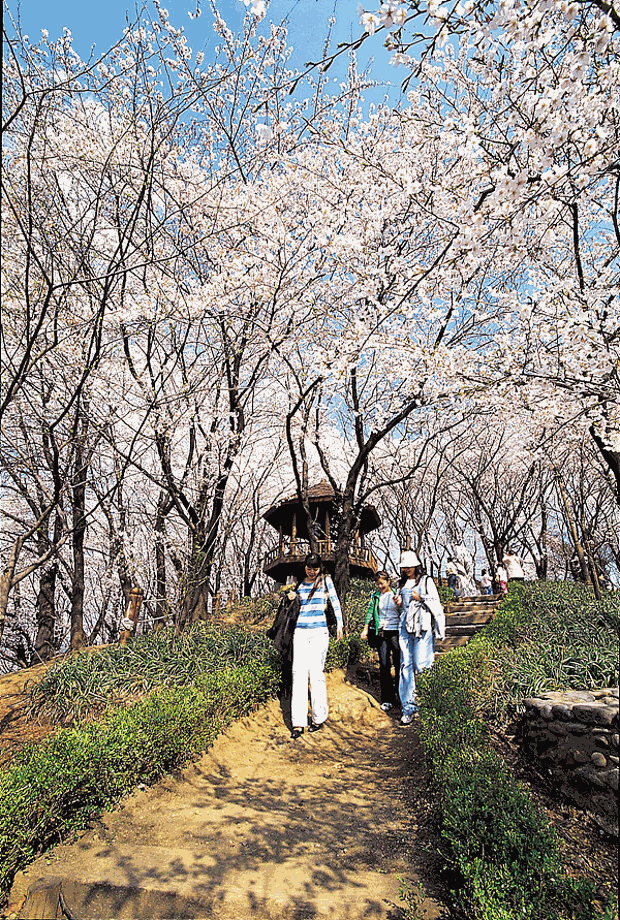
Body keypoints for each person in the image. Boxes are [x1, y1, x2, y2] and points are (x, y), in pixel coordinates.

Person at [289, 553, 343, 740]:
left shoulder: (326, 581)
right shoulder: (298, 583)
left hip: (319, 632)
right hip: (300, 632)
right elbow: (294, 607)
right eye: (309, 567)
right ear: (304, 566)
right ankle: (298, 722)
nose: (312, 571)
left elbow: (335, 602)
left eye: (315, 568)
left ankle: (318, 717)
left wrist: (340, 624)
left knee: (316, 673)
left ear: (321, 568)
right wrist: (290, 598)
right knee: (298, 673)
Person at [396, 550, 445, 725]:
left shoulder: (426, 581)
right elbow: (401, 609)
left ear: (416, 565)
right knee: (405, 666)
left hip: (422, 627)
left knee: (422, 664)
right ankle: (408, 707)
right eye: (404, 566)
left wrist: (421, 597)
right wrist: (399, 603)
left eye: (410, 565)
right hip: (404, 626)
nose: (407, 569)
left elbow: (436, 603)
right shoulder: (400, 584)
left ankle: (429, 704)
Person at [360, 571, 401, 712]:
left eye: (382, 583)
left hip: (395, 632)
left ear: (388, 582)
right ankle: (388, 699)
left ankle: (401, 696)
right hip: (382, 632)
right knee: (384, 665)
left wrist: (399, 604)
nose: (379, 586)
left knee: (399, 664)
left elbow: (404, 610)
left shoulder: (396, 594)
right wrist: (365, 629)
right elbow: (370, 611)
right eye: (377, 583)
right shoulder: (376, 596)